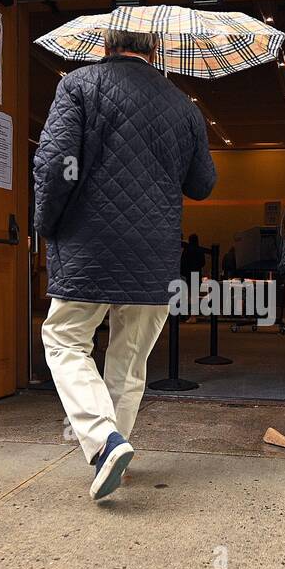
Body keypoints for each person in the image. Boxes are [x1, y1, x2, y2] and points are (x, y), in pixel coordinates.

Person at [33, 27, 216, 500]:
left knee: (65, 340)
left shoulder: (77, 85)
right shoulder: (184, 105)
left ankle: (104, 442)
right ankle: (112, 451)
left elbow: (55, 166)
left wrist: (45, 224)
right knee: (130, 359)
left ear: (106, 45)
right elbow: (202, 185)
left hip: (88, 244)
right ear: (153, 50)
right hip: (153, 252)